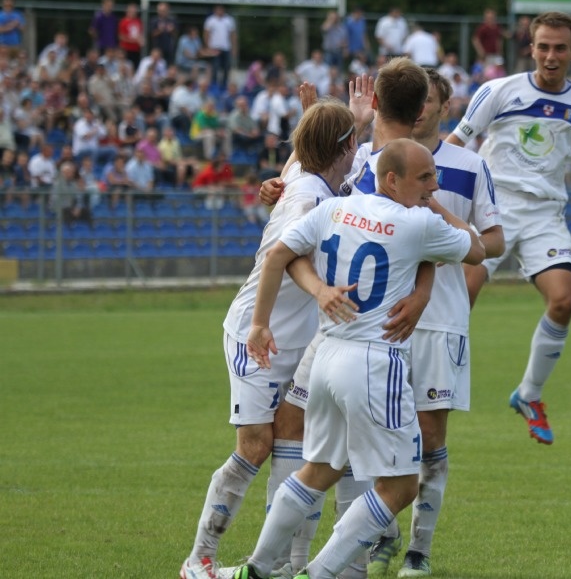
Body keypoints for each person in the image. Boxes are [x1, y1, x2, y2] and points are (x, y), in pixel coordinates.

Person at [231, 137, 485, 579]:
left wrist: (259, 324)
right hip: (375, 362)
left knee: (320, 469)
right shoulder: (419, 222)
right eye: (425, 176)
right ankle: (321, 572)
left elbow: (278, 256)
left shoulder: (335, 210)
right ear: (392, 179)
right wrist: (436, 207)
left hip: (326, 355)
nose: (435, 183)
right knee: (402, 485)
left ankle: (255, 568)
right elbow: (478, 250)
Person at [179, 99, 363, 579]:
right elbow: (282, 256)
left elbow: (304, 159)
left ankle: (285, 565)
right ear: (344, 148)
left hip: (298, 335)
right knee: (255, 445)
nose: (359, 147)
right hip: (257, 333)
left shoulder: (315, 183)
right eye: (354, 141)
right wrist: (270, 319)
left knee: (295, 438)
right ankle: (198, 559)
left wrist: (350, 119)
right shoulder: (306, 197)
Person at [446, 11, 571, 445]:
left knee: (563, 301)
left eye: (559, 48)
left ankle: (529, 394)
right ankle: (431, 390)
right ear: (531, 48)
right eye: (543, 47)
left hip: (544, 216)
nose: (550, 56)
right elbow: (454, 145)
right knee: (459, 300)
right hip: (492, 210)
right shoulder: (498, 91)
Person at [364, 68, 504, 578]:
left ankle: (419, 551)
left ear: (444, 107)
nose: (421, 108)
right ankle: (381, 535)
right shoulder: (374, 162)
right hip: (378, 319)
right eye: (415, 100)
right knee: (378, 431)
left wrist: (436, 209)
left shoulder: (469, 166)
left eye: (430, 100)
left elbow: (493, 243)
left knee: (430, 434)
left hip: (441, 319)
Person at [204, 4, 237, 90]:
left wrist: (234, 48)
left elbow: (233, 35)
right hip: (214, 48)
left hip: (226, 47)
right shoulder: (210, 20)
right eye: (218, 9)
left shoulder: (229, 20)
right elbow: (206, 34)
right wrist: (208, 47)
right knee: (215, 67)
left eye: (221, 9)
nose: (220, 11)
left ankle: (224, 85)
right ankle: (214, 85)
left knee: (226, 67)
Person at [118, 3, 144, 71]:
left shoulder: (138, 21)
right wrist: (134, 40)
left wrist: (141, 40)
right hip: (126, 49)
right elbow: (121, 36)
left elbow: (140, 33)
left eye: (134, 11)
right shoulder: (123, 22)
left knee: (135, 66)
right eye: (132, 11)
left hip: (136, 49)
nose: (133, 13)